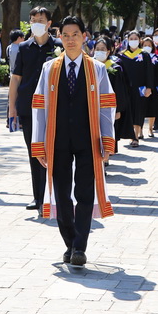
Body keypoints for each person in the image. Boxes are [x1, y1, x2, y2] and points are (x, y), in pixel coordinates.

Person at [30, 16, 117, 266]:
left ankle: (80, 246)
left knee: (84, 191)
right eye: (65, 35)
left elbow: (106, 107)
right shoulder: (50, 68)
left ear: (84, 37)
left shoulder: (97, 69)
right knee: (62, 192)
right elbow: (39, 106)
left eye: (75, 35)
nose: (70, 40)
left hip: (88, 138)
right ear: (60, 37)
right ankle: (69, 242)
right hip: (57, 138)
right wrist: (39, 144)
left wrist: (107, 141)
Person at [8, 7, 62, 210]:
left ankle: (53, 195)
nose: (36, 23)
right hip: (28, 107)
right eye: (33, 20)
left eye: (41, 20)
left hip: (54, 107)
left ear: (49, 23)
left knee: (54, 151)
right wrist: (12, 107)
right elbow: (16, 78)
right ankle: (37, 197)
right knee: (34, 151)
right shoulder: (23, 48)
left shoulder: (58, 46)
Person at [116, 30, 152, 146]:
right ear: (127, 40)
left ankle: (135, 136)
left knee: (138, 111)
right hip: (125, 89)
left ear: (140, 40)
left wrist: (149, 87)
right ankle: (129, 134)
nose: (133, 41)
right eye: (131, 39)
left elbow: (149, 72)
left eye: (135, 39)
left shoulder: (144, 55)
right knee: (128, 111)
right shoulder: (121, 55)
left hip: (140, 88)